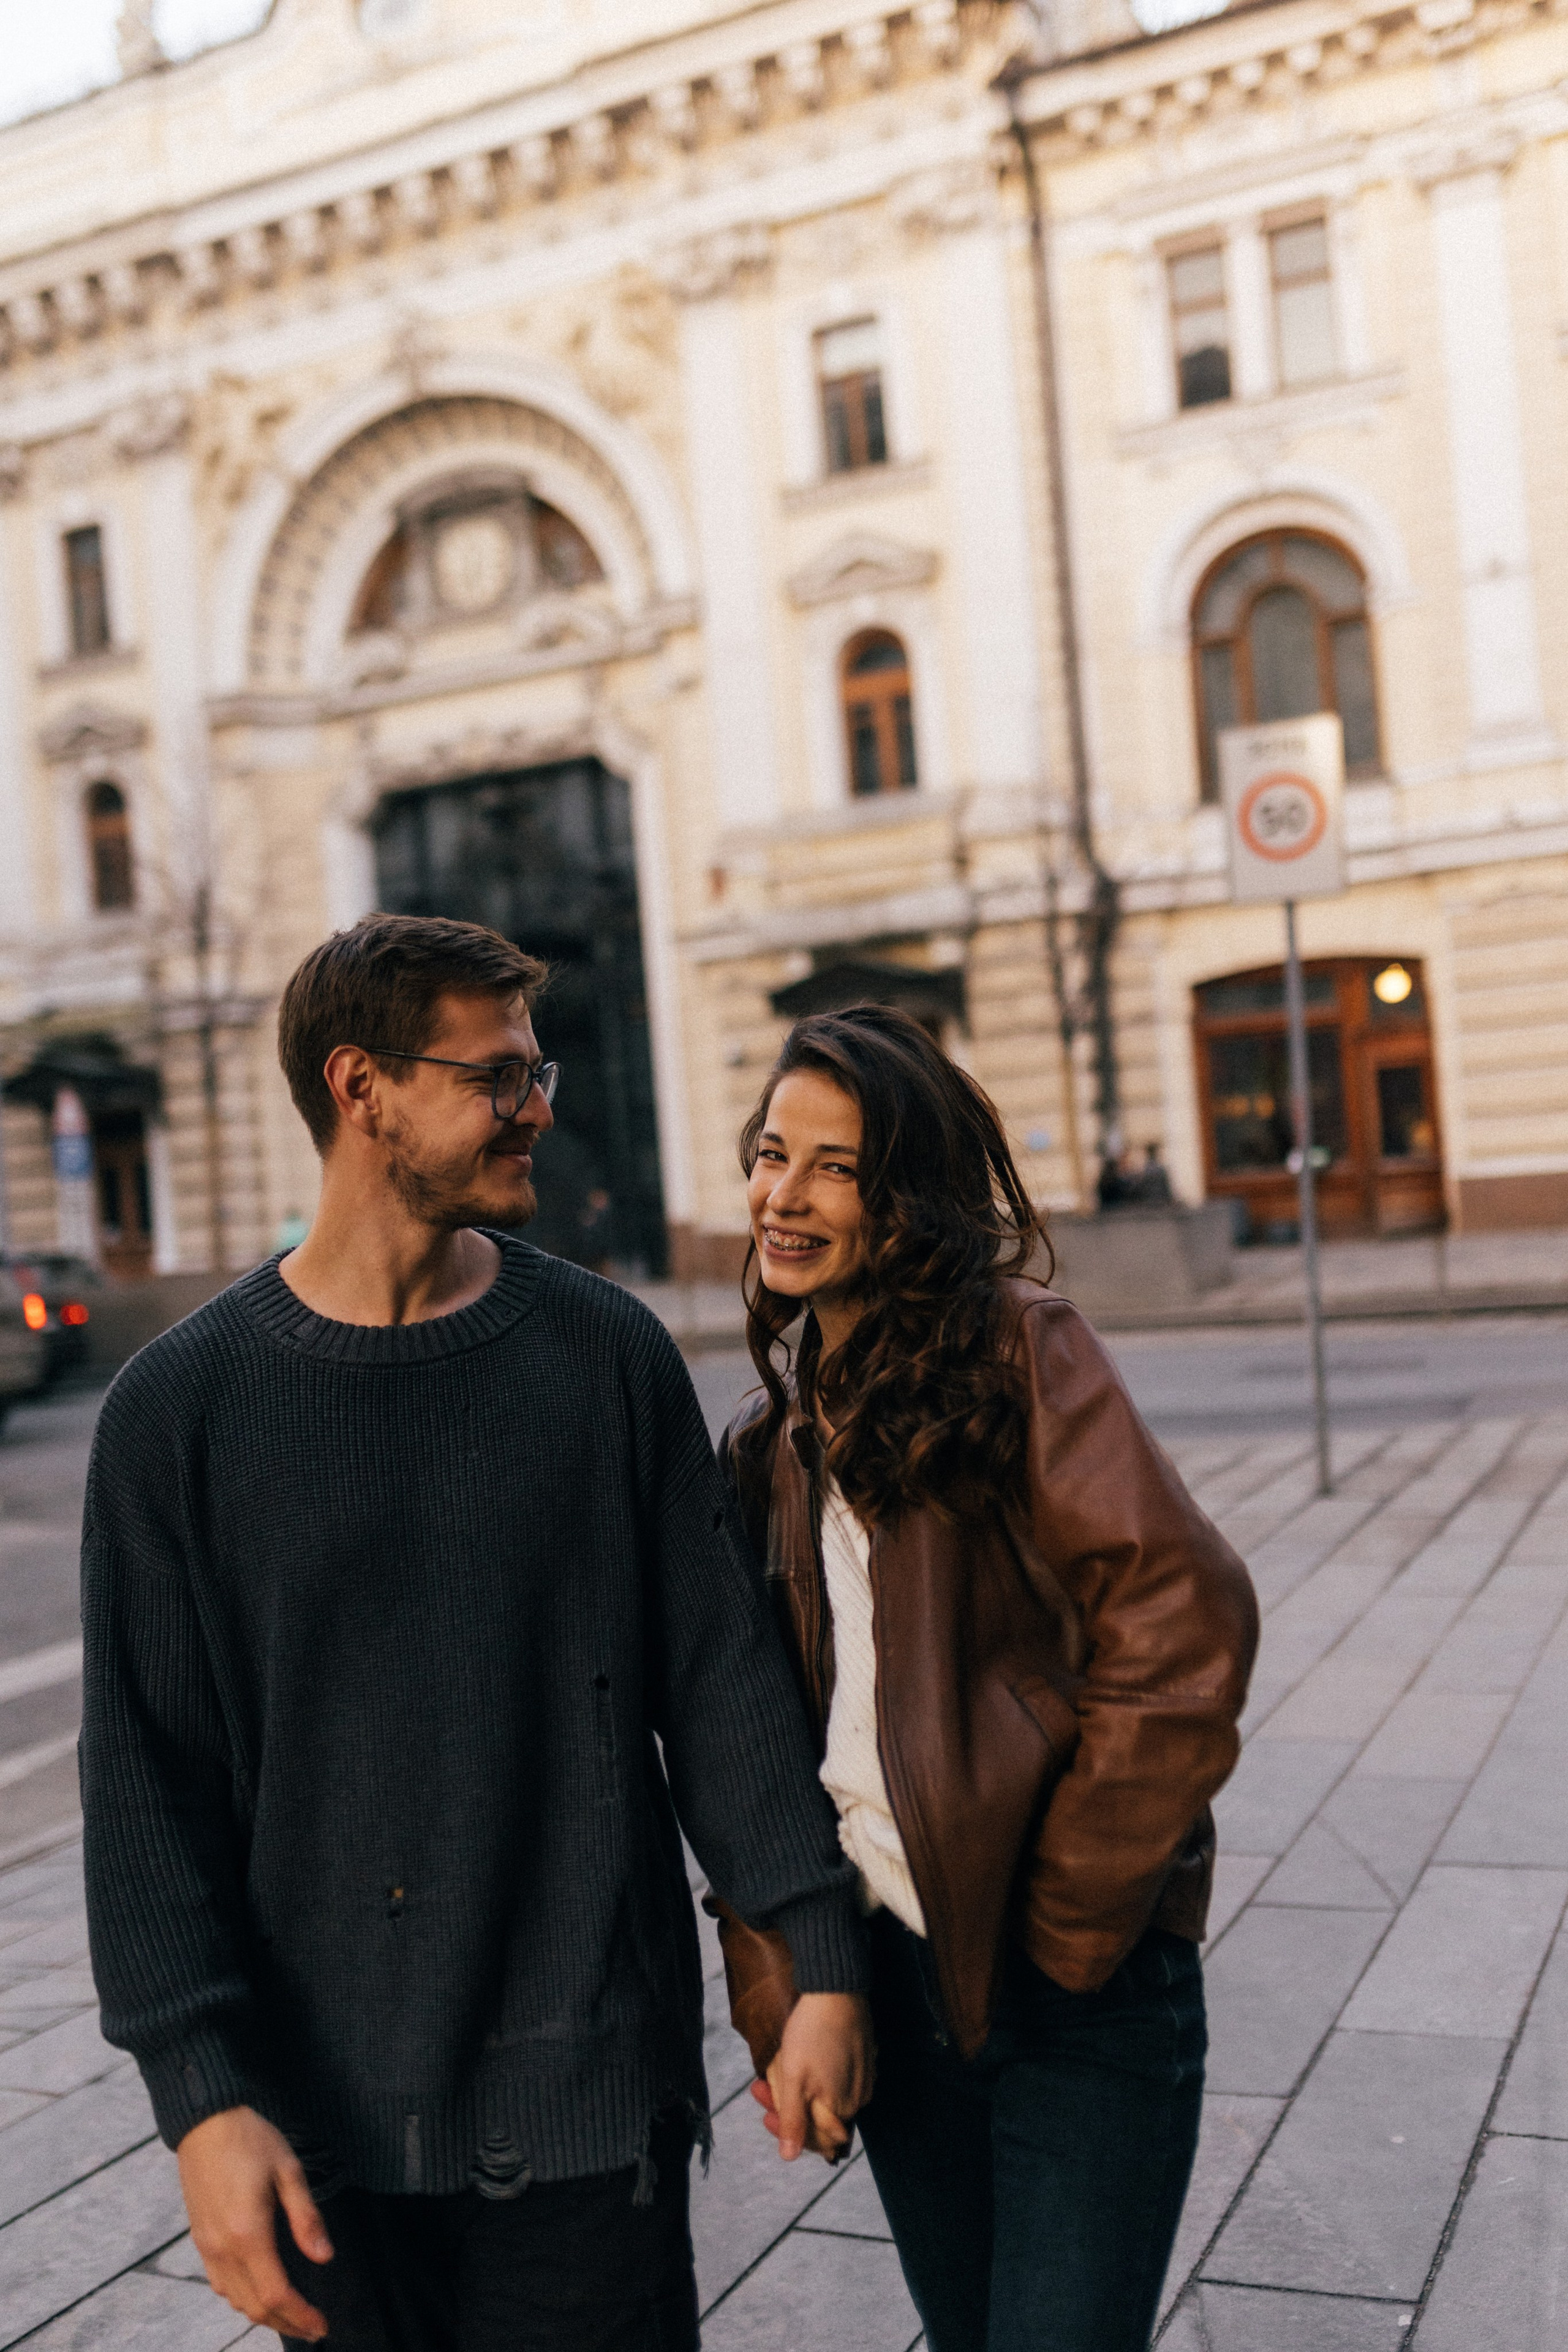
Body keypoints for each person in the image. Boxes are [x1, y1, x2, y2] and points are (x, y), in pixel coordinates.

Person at [79, 914, 873, 2352]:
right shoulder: (176, 1413)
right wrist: (202, 2099)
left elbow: (717, 1685)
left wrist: (815, 1952)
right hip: (318, 2137)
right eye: (496, 1077)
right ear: (361, 1089)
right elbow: (146, 1785)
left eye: (534, 1071)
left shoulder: (603, 1356)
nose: (538, 1110)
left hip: (588, 2113)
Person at [717, 1005, 1258, 2352]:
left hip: (1071, 1995)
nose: (783, 1196)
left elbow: (1182, 1627)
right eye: (772, 1154)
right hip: (894, 1991)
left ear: (906, 1196)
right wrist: (787, 1989)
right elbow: (755, 1746)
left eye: (835, 1168)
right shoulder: (769, 1445)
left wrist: (1064, 1926)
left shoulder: (1021, 1349)